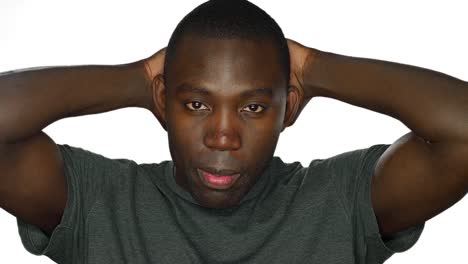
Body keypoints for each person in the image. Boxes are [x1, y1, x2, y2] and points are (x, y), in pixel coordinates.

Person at [0, 0, 466, 263]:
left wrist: (316, 68)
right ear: (164, 103)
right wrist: (137, 80)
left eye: (255, 106)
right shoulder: (99, 202)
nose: (223, 136)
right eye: (197, 103)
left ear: (289, 109)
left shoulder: (340, 203)